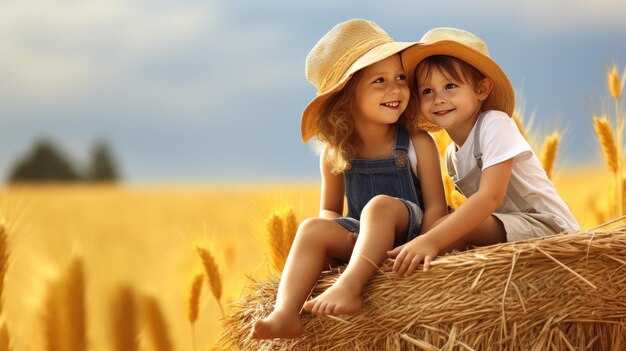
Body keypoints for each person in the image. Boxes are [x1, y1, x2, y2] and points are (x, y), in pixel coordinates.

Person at [250, 19, 448, 340]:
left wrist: (424, 245)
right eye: (379, 81)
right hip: (361, 234)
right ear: (347, 96)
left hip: (410, 230)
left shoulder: (416, 142)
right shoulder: (336, 153)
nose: (395, 88)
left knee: (379, 207)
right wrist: (337, 238)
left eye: (400, 77)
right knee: (311, 227)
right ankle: (285, 312)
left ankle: (350, 288)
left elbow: (437, 207)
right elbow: (329, 210)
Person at [389, 27, 580, 276]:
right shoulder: (451, 156)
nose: (438, 99)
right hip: (510, 231)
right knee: (445, 227)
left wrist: (430, 240)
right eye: (427, 91)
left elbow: (490, 197)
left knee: (452, 229)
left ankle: (415, 281)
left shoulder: (494, 123)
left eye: (450, 86)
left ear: (482, 89)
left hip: (549, 229)